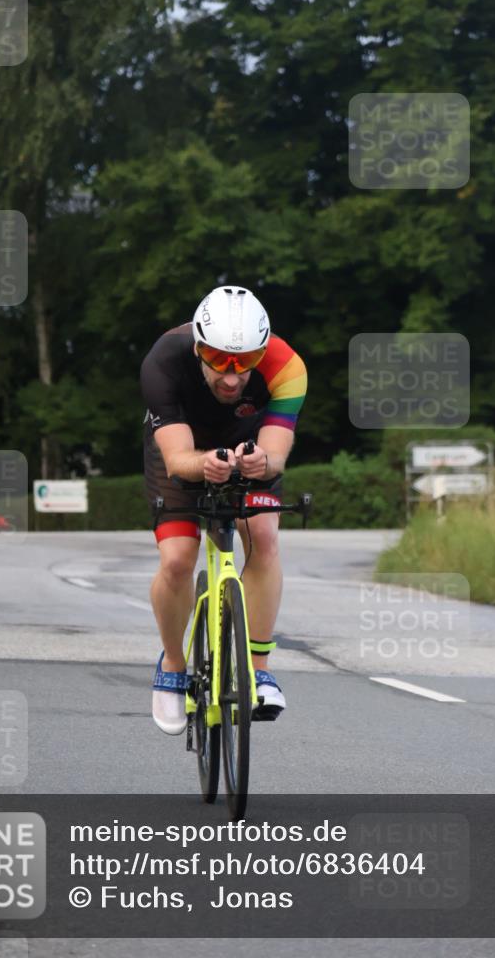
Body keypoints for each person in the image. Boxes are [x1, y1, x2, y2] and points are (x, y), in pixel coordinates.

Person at [140, 286, 307, 734]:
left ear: (263, 350)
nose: (232, 377)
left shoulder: (287, 367)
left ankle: (259, 667)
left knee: (264, 538)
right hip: (183, 447)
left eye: (246, 362)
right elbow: (177, 460)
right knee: (177, 559)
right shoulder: (164, 361)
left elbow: (276, 454)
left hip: (249, 442)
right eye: (217, 359)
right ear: (198, 345)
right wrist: (203, 464)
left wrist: (262, 462)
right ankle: (173, 664)